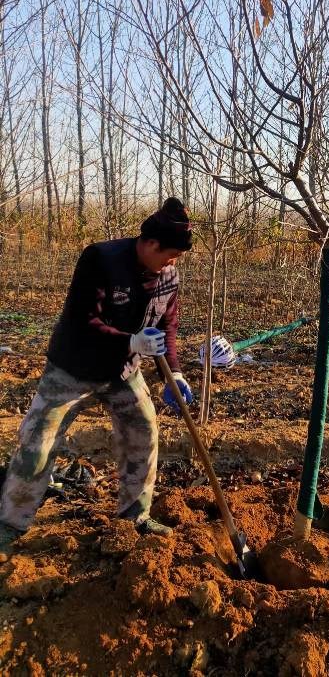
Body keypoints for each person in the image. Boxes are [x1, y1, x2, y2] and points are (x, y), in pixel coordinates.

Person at [0, 198, 194, 549]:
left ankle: (135, 515)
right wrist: (131, 340)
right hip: (73, 368)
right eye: (170, 255)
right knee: (37, 443)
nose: (172, 263)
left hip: (122, 372)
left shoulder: (168, 276)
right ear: (150, 244)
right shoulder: (101, 260)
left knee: (144, 431)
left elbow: (168, 325)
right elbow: (83, 322)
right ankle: (12, 523)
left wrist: (175, 374)